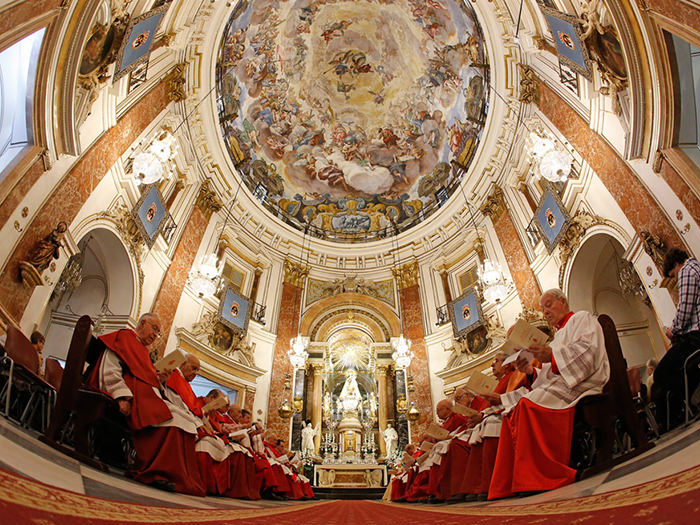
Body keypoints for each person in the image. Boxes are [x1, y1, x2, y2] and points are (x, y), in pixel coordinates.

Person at [487, 289, 610, 500]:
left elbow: (587, 353)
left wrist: (552, 355)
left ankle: (546, 474)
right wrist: (530, 371)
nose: (545, 312)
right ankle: (517, 480)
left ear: (563, 301)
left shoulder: (581, 319)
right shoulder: (558, 336)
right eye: (542, 308)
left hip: (585, 382)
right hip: (568, 382)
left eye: (548, 305)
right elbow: (549, 373)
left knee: (527, 405)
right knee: (514, 409)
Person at [86, 313, 205, 496]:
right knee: (172, 416)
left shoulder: (143, 352)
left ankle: (174, 475)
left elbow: (145, 379)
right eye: (154, 329)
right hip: (133, 397)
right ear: (142, 323)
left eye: (158, 333)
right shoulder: (124, 338)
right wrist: (121, 396)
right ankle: (154, 471)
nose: (155, 335)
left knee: (184, 418)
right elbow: (110, 367)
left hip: (147, 397)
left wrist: (160, 379)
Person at [653, 248, 700, 430]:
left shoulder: (687, 271)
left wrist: (673, 330)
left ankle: (682, 407)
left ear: (676, 265)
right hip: (694, 334)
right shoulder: (695, 268)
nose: (674, 279)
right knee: (683, 370)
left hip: (696, 336)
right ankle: (681, 408)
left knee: (660, 373)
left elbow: (685, 309)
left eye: (672, 275)